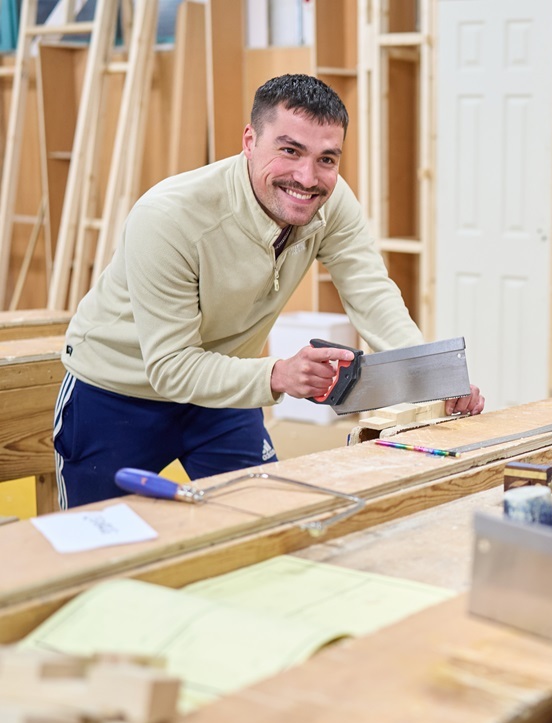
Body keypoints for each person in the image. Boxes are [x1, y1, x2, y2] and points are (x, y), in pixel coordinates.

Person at [55, 74, 484, 509]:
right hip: (117, 394)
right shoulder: (168, 218)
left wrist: (430, 377)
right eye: (290, 150)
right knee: (97, 548)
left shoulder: (330, 203)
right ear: (249, 140)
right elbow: (169, 366)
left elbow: (372, 295)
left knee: (266, 519)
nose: (307, 177)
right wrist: (277, 374)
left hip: (225, 390)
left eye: (327, 159)